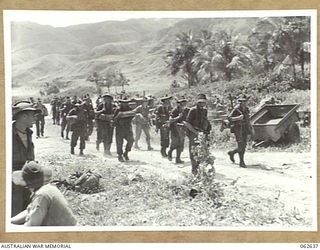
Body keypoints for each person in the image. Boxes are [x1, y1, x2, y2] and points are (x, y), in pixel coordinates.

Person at [11, 161, 77, 226]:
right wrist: (10, 221)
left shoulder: (41, 195)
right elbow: (30, 211)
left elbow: (31, 227)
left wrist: (9, 228)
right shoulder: (48, 187)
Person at [12, 101, 41, 216]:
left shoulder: (28, 133)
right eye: (32, 116)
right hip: (12, 182)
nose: (35, 118)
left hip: (26, 178)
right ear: (24, 116)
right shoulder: (6, 133)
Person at [186, 94, 212, 175]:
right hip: (194, 133)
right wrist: (196, 132)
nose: (202, 104)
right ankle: (194, 170)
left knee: (203, 151)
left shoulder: (204, 111)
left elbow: (205, 122)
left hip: (203, 133)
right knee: (194, 152)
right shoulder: (193, 110)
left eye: (203, 102)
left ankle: (201, 170)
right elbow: (188, 123)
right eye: (200, 102)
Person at [227, 95, 252, 168]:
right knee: (241, 145)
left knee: (244, 145)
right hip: (238, 129)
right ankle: (241, 162)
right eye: (242, 101)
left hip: (245, 128)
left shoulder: (246, 109)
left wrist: (250, 127)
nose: (244, 103)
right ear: (240, 102)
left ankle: (232, 153)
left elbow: (248, 119)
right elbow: (229, 118)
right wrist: (238, 118)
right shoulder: (236, 109)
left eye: (245, 101)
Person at [167, 97, 189, 164]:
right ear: (179, 104)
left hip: (182, 129)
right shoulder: (175, 110)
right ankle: (170, 152)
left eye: (185, 103)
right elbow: (170, 120)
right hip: (174, 129)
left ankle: (178, 159)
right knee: (175, 143)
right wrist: (178, 117)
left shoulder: (186, 110)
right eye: (182, 103)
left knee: (181, 144)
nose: (184, 104)